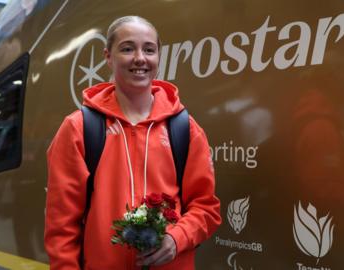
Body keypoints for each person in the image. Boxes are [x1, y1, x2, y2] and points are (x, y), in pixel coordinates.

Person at [44, 16, 221, 270]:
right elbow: (61, 227)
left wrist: (176, 238)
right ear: (108, 56)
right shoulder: (79, 128)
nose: (140, 58)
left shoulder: (184, 128)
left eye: (149, 49)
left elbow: (206, 207)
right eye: (127, 49)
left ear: (159, 57)